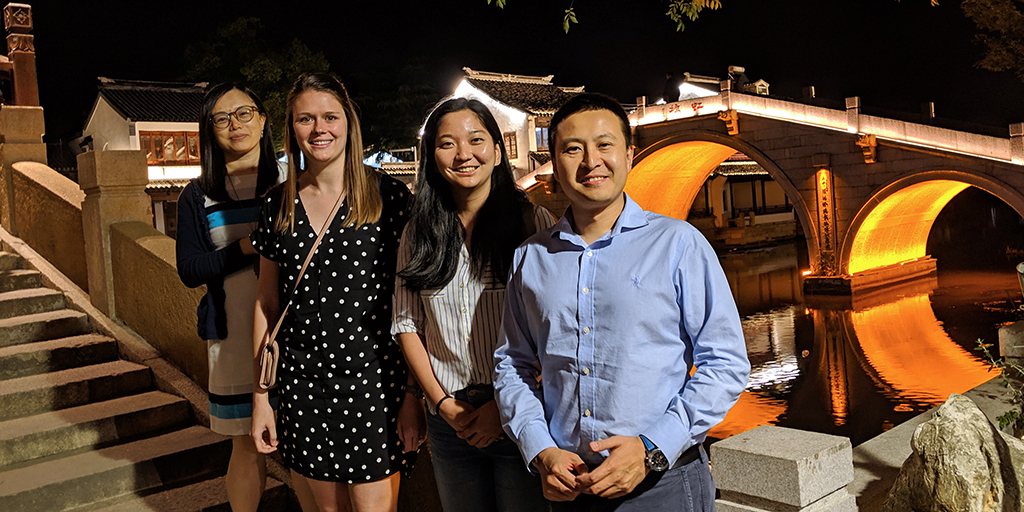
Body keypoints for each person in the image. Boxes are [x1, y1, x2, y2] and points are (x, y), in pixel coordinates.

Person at [493, 93, 750, 512]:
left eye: (604, 144)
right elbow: (512, 364)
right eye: (572, 149)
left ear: (630, 155)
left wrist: (652, 447)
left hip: (662, 483)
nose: (591, 160)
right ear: (554, 165)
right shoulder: (532, 258)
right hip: (570, 483)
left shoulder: (677, 245)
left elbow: (725, 363)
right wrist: (541, 448)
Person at [249, 72, 421, 512]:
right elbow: (267, 303)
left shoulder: (389, 197)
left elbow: (411, 302)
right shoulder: (276, 204)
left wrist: (411, 395)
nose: (319, 129)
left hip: (375, 383)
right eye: (305, 119)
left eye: (330, 116)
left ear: (349, 123)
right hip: (301, 383)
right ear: (291, 127)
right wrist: (261, 399)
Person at [393, 97, 553, 512]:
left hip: (523, 414)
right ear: (431, 158)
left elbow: (555, 329)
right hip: (450, 421)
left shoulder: (532, 224)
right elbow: (407, 324)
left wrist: (503, 406)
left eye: (476, 140)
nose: (463, 154)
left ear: (498, 152)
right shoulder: (418, 233)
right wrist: (442, 404)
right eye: (447, 144)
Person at [177, 82, 320, 512]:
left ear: (263, 120)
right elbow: (190, 269)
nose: (234, 125)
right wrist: (246, 247)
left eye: (244, 113)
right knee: (246, 445)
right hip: (235, 334)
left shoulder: (293, 181)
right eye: (221, 118)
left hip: (300, 333)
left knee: (304, 444)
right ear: (208, 129)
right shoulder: (197, 194)